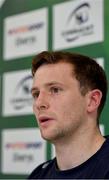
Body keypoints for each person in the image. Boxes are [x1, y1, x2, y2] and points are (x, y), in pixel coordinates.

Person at [28, 51, 109, 179]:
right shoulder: (37, 176)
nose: (39, 103)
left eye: (55, 90)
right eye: (36, 94)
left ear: (92, 101)